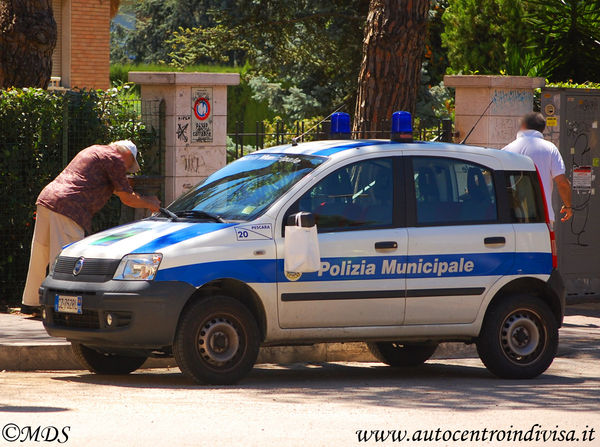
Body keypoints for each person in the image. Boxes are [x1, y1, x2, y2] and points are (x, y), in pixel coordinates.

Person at [21, 140, 161, 314]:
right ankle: (63, 307)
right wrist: (151, 203)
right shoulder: (115, 159)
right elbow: (127, 198)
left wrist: (130, 190)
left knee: (40, 252)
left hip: (47, 199)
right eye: (129, 166)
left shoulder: (94, 150)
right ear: (129, 156)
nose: (126, 170)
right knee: (67, 257)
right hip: (70, 207)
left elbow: (116, 189)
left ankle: (30, 303)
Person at [503, 112, 573, 225]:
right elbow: (562, 183)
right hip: (543, 217)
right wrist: (568, 206)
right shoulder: (550, 148)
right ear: (542, 128)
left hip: (513, 218)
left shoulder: (507, 150)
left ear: (523, 126)